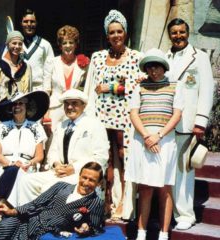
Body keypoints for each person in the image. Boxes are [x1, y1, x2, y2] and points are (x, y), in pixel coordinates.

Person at [0, 162, 124, 240]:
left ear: (98, 183)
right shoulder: (62, 187)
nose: (86, 183)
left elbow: (97, 227)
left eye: (92, 180)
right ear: (80, 176)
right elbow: (36, 204)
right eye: (84, 177)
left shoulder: (95, 203)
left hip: (50, 231)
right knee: (4, 226)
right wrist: (12, 211)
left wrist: (86, 229)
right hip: (31, 218)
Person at [84, 9, 145, 220]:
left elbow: (139, 84)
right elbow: (92, 87)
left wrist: (110, 87)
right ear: (107, 35)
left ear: (125, 33)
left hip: (126, 117)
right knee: (106, 159)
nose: (116, 36)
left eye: (120, 31)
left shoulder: (137, 57)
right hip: (101, 115)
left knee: (124, 157)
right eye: (112, 32)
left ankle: (125, 203)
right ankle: (106, 201)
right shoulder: (98, 57)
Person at [125, 48, 183, 240]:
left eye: (157, 67)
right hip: (143, 141)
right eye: (150, 68)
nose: (154, 71)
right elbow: (134, 113)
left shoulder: (176, 86)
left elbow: (176, 114)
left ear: (164, 67)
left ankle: (164, 233)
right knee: (145, 187)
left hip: (165, 141)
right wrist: (146, 136)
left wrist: (158, 135)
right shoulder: (139, 87)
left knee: (165, 188)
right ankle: (141, 232)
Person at [17, 89, 109, 206]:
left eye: (74, 103)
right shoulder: (61, 125)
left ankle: (49, 221)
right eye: (66, 104)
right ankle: (29, 217)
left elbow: (101, 158)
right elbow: (52, 152)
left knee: (49, 187)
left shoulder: (95, 125)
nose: (70, 107)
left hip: (81, 175)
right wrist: (56, 164)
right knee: (27, 181)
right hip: (60, 172)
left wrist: (73, 168)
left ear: (84, 105)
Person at [165, 18, 214, 230]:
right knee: (168, 169)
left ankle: (185, 214)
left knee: (184, 170)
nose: (178, 36)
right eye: (174, 33)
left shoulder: (199, 58)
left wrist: (201, 121)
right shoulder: (163, 57)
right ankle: (168, 210)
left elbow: (207, 90)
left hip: (187, 122)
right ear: (170, 35)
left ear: (188, 32)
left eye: (182, 32)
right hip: (165, 123)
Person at [0, 91, 48, 221]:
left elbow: (39, 156)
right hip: (4, 164)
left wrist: (29, 163)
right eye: (14, 104)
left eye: (20, 103)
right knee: (13, 169)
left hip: (26, 166)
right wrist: (10, 163)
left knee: (17, 170)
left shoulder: (36, 127)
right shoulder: (2, 127)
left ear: (27, 106)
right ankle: (2, 209)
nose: (17, 106)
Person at [43, 25, 90, 133]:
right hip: (55, 110)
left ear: (76, 44)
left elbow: (88, 88)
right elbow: (46, 90)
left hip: (76, 110)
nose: (68, 46)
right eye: (64, 43)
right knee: (53, 144)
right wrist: (46, 115)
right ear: (60, 45)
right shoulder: (51, 63)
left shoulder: (83, 64)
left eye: (71, 42)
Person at [0, 30, 32, 111]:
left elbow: (29, 90)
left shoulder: (26, 67)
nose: (17, 46)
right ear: (7, 44)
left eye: (20, 44)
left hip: (20, 110)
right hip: (1, 109)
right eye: (14, 43)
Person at [20, 8, 54, 91]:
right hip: (18, 89)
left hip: (38, 89)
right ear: (21, 23)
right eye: (25, 21)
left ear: (36, 23)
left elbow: (49, 70)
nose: (29, 24)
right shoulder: (14, 45)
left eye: (32, 21)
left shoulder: (45, 45)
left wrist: (47, 91)